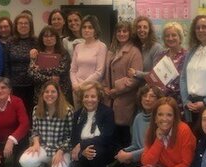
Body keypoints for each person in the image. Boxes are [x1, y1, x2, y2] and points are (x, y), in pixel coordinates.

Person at [115, 84, 163, 167]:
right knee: (125, 154)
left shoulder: (160, 119)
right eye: (145, 95)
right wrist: (124, 152)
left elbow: (154, 148)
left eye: (152, 96)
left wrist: (130, 155)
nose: (147, 99)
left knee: (129, 157)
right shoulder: (138, 118)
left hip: (156, 158)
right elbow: (136, 144)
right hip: (142, 154)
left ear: (158, 100)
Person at [19, 81, 74, 167]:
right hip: (44, 147)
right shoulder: (36, 109)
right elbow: (35, 131)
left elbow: (71, 136)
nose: (49, 94)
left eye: (53, 92)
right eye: (47, 92)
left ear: (58, 93)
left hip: (62, 149)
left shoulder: (68, 110)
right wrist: (36, 143)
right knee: (24, 161)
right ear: (42, 94)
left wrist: (61, 151)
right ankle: (43, 165)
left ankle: (69, 164)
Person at [69, 81, 115, 167]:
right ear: (82, 98)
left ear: (98, 98)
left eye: (93, 96)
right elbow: (74, 138)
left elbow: (107, 137)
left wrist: (82, 144)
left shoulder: (107, 112)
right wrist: (82, 151)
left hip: (103, 150)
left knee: (94, 151)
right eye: (86, 96)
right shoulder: (77, 115)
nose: (89, 100)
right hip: (84, 153)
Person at [104, 20, 143, 149]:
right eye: (119, 31)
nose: (121, 34)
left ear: (130, 33)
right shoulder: (112, 50)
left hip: (125, 100)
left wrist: (116, 89)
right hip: (110, 99)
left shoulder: (134, 52)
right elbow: (106, 71)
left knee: (125, 136)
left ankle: (124, 160)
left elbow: (135, 79)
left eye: (125, 31)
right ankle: (115, 159)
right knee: (112, 135)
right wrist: (105, 87)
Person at [70, 15, 107, 108]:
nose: (86, 30)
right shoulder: (78, 47)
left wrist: (82, 86)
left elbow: (99, 72)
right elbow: (73, 70)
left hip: (92, 89)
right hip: (77, 90)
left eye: (90, 27)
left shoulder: (101, 46)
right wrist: (75, 84)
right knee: (78, 115)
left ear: (95, 30)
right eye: (84, 27)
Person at [3, 13, 36, 118]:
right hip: (15, 85)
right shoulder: (10, 42)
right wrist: (8, 84)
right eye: (20, 23)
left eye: (26, 23)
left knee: (30, 112)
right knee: (16, 113)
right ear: (16, 26)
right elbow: (6, 64)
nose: (23, 25)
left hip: (32, 84)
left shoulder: (36, 41)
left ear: (30, 26)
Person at [28, 26, 72, 104]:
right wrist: (50, 78)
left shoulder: (63, 53)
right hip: (41, 92)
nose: (49, 39)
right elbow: (32, 73)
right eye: (46, 36)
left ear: (56, 38)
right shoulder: (36, 53)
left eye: (51, 36)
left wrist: (40, 69)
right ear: (41, 38)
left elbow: (61, 70)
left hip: (61, 91)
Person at [151, 21, 187, 114]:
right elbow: (155, 77)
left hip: (179, 103)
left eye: (174, 35)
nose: (170, 38)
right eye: (167, 36)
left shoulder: (187, 56)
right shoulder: (161, 55)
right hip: (161, 102)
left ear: (180, 37)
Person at [128, 16, 164, 80]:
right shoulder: (135, 47)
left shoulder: (156, 48)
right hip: (136, 84)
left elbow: (157, 74)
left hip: (150, 85)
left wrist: (136, 73)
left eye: (145, 27)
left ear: (149, 30)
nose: (142, 30)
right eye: (139, 27)